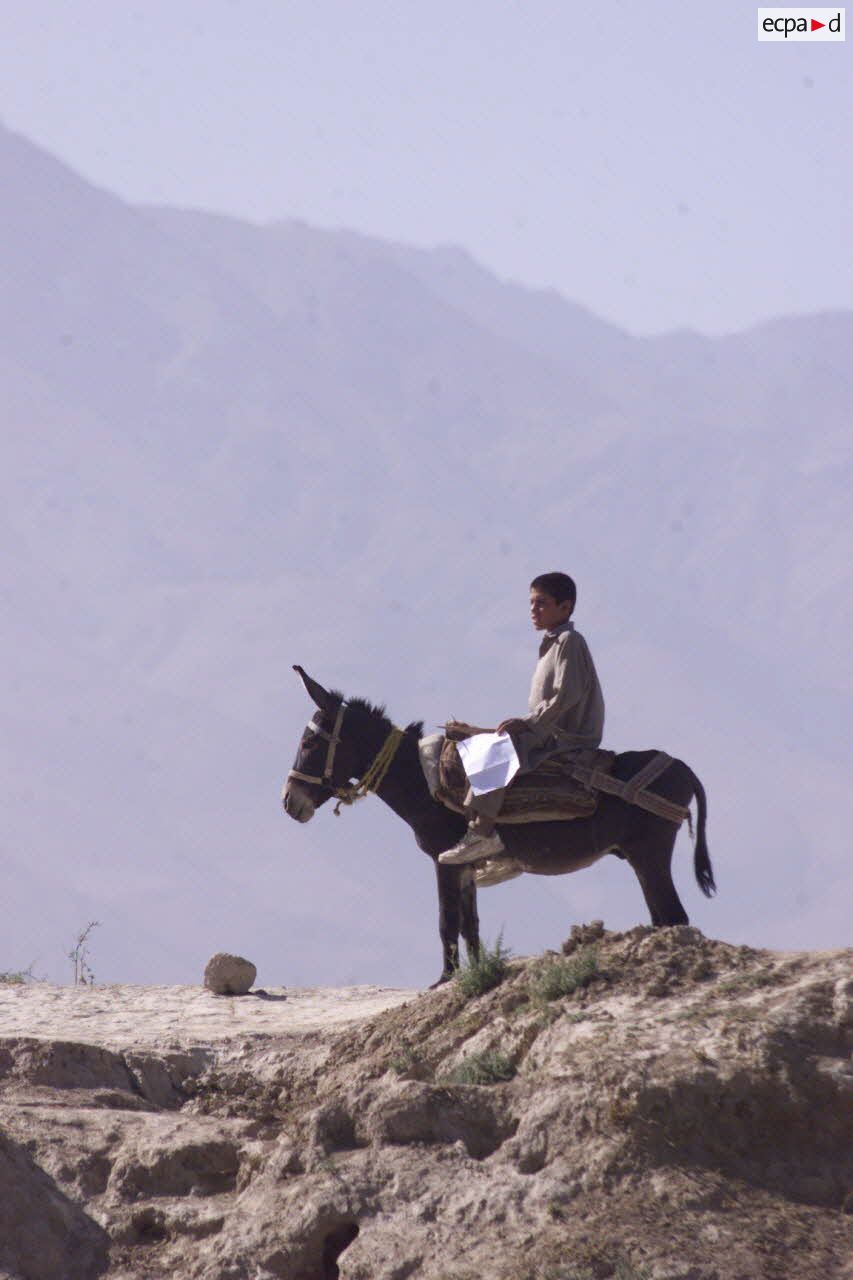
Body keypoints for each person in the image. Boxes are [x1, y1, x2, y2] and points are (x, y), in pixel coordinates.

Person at [439, 571, 605, 865]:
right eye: (531, 603)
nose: (533, 610)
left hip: (567, 737)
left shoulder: (569, 641)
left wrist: (527, 724)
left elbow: (568, 696)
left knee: (495, 751)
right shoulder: (553, 643)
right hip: (549, 729)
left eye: (541, 603)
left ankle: (481, 832)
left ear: (564, 607)